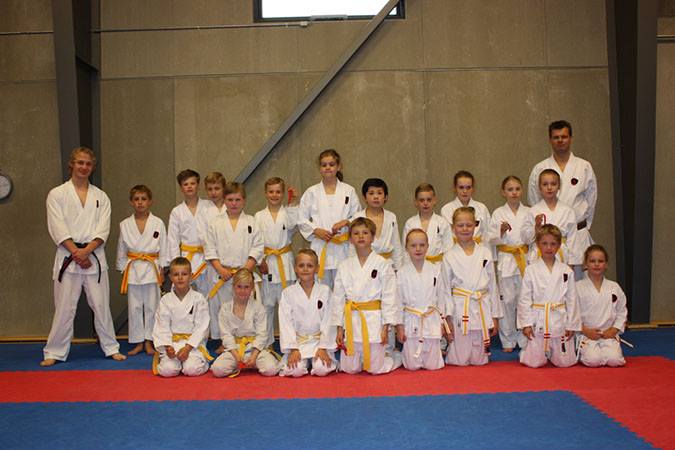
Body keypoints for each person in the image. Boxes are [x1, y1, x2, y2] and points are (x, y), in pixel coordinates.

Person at [42, 147, 125, 366]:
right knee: (64, 308)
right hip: (67, 256)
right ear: (72, 164)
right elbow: (57, 227)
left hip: (93, 257)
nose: (84, 167)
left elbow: (103, 229)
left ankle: (111, 347)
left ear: (93, 167)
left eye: (88, 164)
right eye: (80, 162)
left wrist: (86, 251)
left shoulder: (101, 197)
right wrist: (76, 252)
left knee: (101, 306)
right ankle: (54, 351)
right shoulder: (57, 194)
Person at [528, 120, 597, 279]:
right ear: (550, 140)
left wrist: (584, 226)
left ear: (571, 138)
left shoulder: (584, 166)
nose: (560, 140)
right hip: (548, 240)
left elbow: (591, 200)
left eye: (564, 136)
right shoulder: (540, 168)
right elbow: (534, 201)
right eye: (556, 137)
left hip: (577, 234)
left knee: (577, 284)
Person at [332, 217, 400, 374]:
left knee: (375, 369)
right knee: (349, 369)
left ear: (373, 237)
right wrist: (339, 329)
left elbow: (389, 297)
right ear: (350, 239)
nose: (361, 236)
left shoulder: (383, 264)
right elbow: (338, 299)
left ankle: (395, 357)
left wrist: (385, 327)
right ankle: (363, 358)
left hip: (374, 320)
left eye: (365, 233)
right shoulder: (344, 266)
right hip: (351, 320)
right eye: (356, 233)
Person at [204, 182, 263, 354]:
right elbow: (209, 248)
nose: (234, 203)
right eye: (230, 200)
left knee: (246, 309)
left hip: (244, 275)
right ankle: (225, 341)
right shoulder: (215, 223)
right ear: (224, 200)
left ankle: (250, 340)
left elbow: (258, 247)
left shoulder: (251, 222)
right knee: (224, 309)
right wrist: (220, 269)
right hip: (223, 274)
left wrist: (245, 270)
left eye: (238, 200)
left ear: (244, 200)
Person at [442, 207, 502, 366]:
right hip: (460, 307)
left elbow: (493, 286)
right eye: (460, 225)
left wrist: (495, 317)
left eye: (469, 225)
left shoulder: (485, 252)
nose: (465, 229)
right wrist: (447, 318)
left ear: (475, 226)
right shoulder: (449, 255)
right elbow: (445, 290)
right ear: (453, 228)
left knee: (479, 360)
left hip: (481, 304)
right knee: (459, 360)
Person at [518, 224, 581, 368]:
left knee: (565, 363)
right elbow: (524, 299)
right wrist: (526, 324)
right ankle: (528, 351)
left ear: (559, 245)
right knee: (534, 363)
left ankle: (553, 351)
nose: (548, 248)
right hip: (538, 321)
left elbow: (572, 300)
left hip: (559, 321)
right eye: (544, 243)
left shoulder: (566, 271)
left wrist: (571, 325)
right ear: (538, 244)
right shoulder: (531, 270)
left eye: (553, 244)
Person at [116, 184, 168, 356]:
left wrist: (162, 268)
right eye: (136, 199)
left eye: (143, 199)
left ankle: (150, 342)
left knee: (153, 307)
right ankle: (138, 342)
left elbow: (164, 247)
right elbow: (121, 248)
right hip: (133, 269)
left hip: (152, 268)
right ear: (131, 202)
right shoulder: (125, 224)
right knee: (135, 308)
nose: (140, 202)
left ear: (150, 201)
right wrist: (122, 267)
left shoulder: (158, 223)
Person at [298, 149, 361, 288]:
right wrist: (315, 230)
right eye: (324, 165)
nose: (328, 168)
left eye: (331, 164)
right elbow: (301, 219)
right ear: (320, 168)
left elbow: (358, 216)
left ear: (339, 166)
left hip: (343, 248)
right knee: (321, 289)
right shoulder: (312, 192)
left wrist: (347, 222)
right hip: (321, 246)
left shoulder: (349, 191)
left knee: (344, 287)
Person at [278, 249, 338, 377]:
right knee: (295, 371)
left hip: (319, 342)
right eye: (301, 265)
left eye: (310, 266)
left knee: (322, 369)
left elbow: (329, 320)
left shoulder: (325, 291)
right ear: (295, 268)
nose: (305, 269)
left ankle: (315, 363)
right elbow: (285, 323)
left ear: (317, 268)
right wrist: (293, 348)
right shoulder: (288, 293)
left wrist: (323, 347)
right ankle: (304, 362)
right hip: (298, 342)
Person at [487, 176, 530, 352]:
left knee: (524, 299)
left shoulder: (529, 211)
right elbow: (491, 239)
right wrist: (501, 231)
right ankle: (508, 339)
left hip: (524, 258)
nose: (514, 192)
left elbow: (531, 237)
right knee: (507, 300)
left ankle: (524, 338)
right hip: (506, 260)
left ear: (522, 190)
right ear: (503, 192)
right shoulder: (498, 213)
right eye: (510, 189)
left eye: (517, 189)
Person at [255, 177, 299, 347]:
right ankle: (266, 344)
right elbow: (256, 241)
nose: (274, 195)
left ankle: (289, 344)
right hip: (267, 263)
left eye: (278, 192)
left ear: (282, 193)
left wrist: (293, 203)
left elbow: (294, 224)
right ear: (266, 193)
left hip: (285, 263)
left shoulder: (288, 213)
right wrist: (260, 261)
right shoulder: (259, 216)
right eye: (271, 191)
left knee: (287, 306)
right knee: (266, 306)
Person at [211, 269, 280, 377]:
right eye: (239, 286)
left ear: (252, 288)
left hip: (255, 349)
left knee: (271, 369)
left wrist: (254, 356)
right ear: (233, 287)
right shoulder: (225, 308)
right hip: (235, 349)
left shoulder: (258, 308)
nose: (242, 290)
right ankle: (243, 364)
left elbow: (262, 334)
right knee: (218, 370)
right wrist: (236, 356)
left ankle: (252, 362)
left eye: (246, 287)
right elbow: (226, 335)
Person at [395, 229, 447, 370]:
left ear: (427, 247)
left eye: (422, 245)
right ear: (406, 248)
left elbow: (441, 298)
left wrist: (442, 322)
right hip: (411, 321)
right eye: (413, 245)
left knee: (433, 365)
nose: (418, 249)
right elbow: (398, 303)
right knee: (412, 366)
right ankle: (398, 355)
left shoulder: (436, 270)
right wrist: (399, 327)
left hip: (431, 319)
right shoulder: (401, 273)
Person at [152, 257, 211, 377]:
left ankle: (202, 362)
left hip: (193, 345)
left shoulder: (199, 299)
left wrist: (188, 348)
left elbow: (202, 327)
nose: (180, 278)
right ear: (170, 277)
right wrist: (168, 346)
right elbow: (161, 325)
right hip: (172, 344)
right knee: (167, 371)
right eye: (176, 274)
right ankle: (174, 362)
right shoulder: (165, 300)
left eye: (184, 274)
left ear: (191, 276)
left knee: (191, 369)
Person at [577, 244, 627, 367]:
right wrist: (585, 330)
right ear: (585, 264)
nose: (596, 264)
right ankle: (583, 349)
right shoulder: (577, 287)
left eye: (600, 261)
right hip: (586, 335)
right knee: (593, 361)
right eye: (592, 261)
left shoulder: (614, 287)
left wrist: (614, 330)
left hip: (608, 334)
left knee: (615, 360)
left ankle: (607, 350)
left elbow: (622, 312)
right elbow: (571, 314)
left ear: (606, 264)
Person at [167, 169, 211, 298]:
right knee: (183, 296)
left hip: (207, 257)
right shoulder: (177, 211)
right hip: (186, 258)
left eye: (192, 183)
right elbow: (173, 240)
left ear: (198, 185)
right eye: (185, 184)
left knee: (208, 296)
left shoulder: (209, 206)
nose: (189, 187)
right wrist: (176, 265)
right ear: (181, 188)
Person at [521, 169, 578, 266]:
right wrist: (536, 228)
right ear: (539, 187)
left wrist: (571, 264)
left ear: (559, 186)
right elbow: (525, 238)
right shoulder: (533, 211)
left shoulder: (568, 211)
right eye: (545, 184)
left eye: (553, 184)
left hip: (561, 256)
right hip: (538, 256)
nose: (549, 187)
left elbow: (573, 240)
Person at [351, 178, 404, 271]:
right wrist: (353, 268)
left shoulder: (391, 217)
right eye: (371, 193)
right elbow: (352, 246)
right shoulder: (358, 217)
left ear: (385, 197)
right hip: (365, 264)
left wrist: (399, 269)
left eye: (379, 193)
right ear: (364, 197)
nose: (376, 197)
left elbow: (396, 245)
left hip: (387, 265)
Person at [202, 172, 227, 340]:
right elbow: (204, 237)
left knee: (228, 303)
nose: (213, 192)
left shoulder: (230, 206)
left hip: (230, 261)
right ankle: (217, 337)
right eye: (210, 189)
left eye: (217, 188)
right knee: (213, 301)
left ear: (223, 188)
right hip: (213, 263)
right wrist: (216, 262)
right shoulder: (204, 210)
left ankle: (228, 338)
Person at [402, 183, 451, 265]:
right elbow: (405, 250)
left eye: (429, 200)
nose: (425, 203)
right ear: (416, 202)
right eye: (421, 200)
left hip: (438, 266)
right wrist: (407, 268)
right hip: (415, 265)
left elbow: (448, 249)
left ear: (434, 200)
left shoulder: (442, 223)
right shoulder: (410, 223)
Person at [440, 171, 491, 244]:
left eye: (468, 187)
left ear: (473, 188)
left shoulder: (482, 208)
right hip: (455, 248)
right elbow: (445, 237)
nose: (465, 191)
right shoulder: (446, 210)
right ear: (455, 188)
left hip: (478, 248)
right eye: (461, 187)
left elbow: (487, 235)